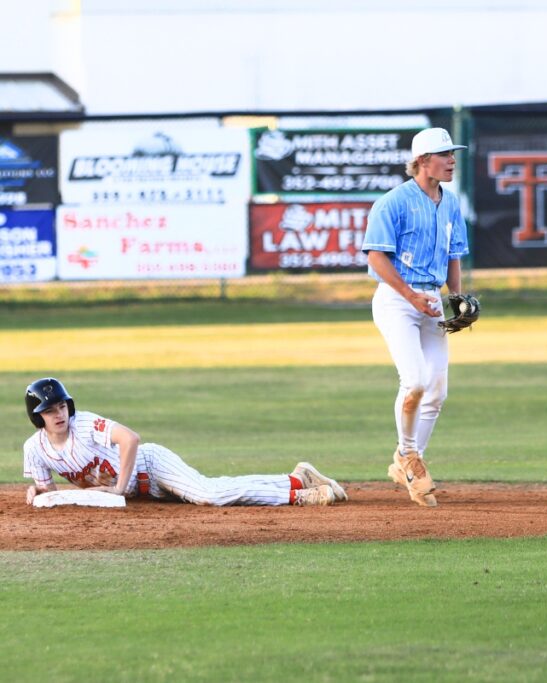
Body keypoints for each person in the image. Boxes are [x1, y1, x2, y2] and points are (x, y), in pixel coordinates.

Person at [23, 377, 348, 507]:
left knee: (211, 494)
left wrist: (118, 489)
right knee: (217, 487)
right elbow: (53, 498)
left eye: (62, 406)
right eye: (50, 410)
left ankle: (299, 493)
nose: (59, 414)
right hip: (147, 493)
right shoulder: (35, 450)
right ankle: (295, 477)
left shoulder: (85, 425)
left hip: (151, 465)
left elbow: (130, 439)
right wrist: (37, 490)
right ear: (38, 417)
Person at [361, 127, 469, 508]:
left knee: (437, 391)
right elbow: (375, 256)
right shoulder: (393, 203)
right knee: (416, 380)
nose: (452, 160)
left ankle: (409, 462)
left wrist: (455, 298)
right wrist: (410, 296)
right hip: (397, 300)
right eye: (444, 154)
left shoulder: (451, 202)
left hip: (432, 301)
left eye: (453, 154)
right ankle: (408, 456)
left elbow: (455, 253)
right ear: (422, 161)